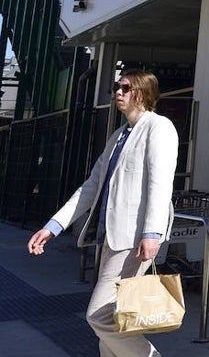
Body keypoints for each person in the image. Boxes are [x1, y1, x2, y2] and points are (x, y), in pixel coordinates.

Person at [27, 68, 179, 357]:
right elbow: (91, 186)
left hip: (135, 241)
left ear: (143, 93)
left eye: (125, 87)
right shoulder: (119, 136)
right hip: (110, 237)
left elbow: (160, 184)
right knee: (115, 321)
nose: (118, 93)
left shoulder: (159, 128)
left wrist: (151, 234)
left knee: (98, 316)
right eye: (116, 88)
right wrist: (54, 226)